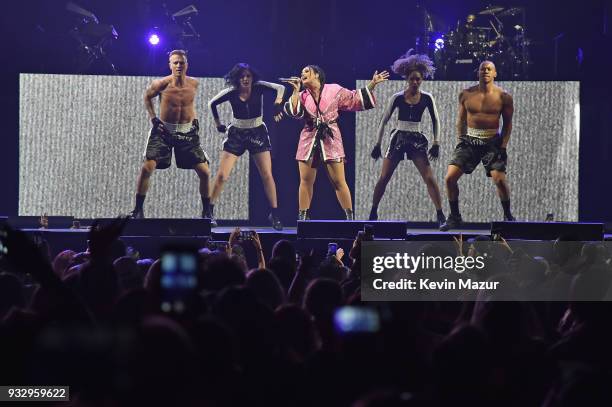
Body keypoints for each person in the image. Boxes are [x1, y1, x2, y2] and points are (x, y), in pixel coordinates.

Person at [283, 65, 389, 220]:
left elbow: (353, 99)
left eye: (306, 71)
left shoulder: (334, 90)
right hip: (308, 137)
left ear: (317, 74)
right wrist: (294, 90)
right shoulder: (302, 96)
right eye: (301, 73)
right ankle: (303, 219)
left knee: (339, 181)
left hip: (330, 137)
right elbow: (294, 112)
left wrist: (372, 84)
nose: (302, 74)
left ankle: (350, 218)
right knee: (305, 181)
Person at [130, 50, 211, 219]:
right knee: (147, 168)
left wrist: (195, 120)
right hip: (164, 132)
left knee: (205, 172)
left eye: (182, 62)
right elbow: (147, 97)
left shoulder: (194, 83)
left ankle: (207, 212)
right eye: (175, 63)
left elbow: (188, 104)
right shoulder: (161, 84)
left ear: (187, 65)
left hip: (187, 132)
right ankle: (138, 210)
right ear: (170, 65)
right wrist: (153, 119)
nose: (179, 65)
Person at [369, 51, 445, 226]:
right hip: (399, 137)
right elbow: (384, 121)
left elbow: (436, 120)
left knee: (429, 177)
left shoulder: (427, 97)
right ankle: (373, 211)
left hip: (416, 138)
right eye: (412, 79)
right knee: (384, 176)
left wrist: (436, 142)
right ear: (406, 79)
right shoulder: (397, 97)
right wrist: (378, 144)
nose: (415, 82)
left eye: (418, 79)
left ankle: (440, 214)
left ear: (422, 79)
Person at [208, 63, 285, 230]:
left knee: (267, 175)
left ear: (252, 78)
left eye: (248, 76)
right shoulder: (231, 92)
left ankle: (274, 214)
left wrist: (278, 103)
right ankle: (208, 211)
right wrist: (218, 124)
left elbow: (280, 87)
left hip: (257, 132)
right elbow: (212, 103)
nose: (245, 79)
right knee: (222, 176)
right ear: (237, 79)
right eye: (242, 76)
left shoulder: (259, 87)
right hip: (237, 133)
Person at [440, 60, 515, 231]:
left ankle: (508, 216)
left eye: (489, 69)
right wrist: (461, 139)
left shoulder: (504, 96)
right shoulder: (466, 94)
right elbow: (461, 120)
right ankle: (455, 217)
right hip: (470, 140)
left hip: (492, 142)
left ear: (495, 73)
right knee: (449, 178)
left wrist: (503, 146)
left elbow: (508, 124)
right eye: (483, 69)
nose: (486, 71)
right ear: (478, 73)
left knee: (499, 179)